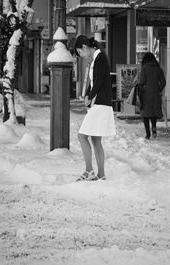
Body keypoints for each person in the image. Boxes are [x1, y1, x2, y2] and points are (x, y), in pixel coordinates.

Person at [73, 35, 116, 181]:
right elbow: (96, 83)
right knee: (96, 141)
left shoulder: (100, 58)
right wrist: (88, 95)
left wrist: (89, 97)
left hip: (100, 104)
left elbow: (98, 82)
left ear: (84, 48)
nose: (82, 56)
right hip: (100, 104)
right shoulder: (97, 58)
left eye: (80, 53)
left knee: (82, 136)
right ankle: (101, 174)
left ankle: (89, 170)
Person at [138, 52, 166, 139]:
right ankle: (154, 129)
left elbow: (142, 81)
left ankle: (148, 134)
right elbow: (163, 82)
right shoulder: (158, 69)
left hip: (145, 94)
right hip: (155, 94)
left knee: (145, 114)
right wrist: (159, 89)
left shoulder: (144, 68)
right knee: (153, 113)